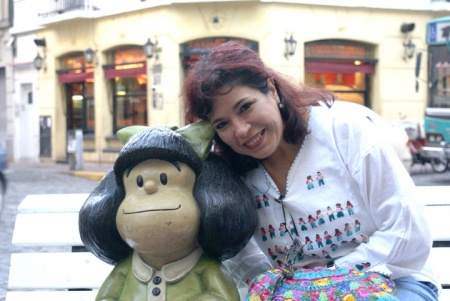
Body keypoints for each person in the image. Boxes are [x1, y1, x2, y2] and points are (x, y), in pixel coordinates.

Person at [181, 41, 440, 300]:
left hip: (394, 280)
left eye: (245, 107)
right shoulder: (232, 175)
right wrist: (289, 289)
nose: (241, 130)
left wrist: (329, 281)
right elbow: (242, 258)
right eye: (223, 124)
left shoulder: (345, 132)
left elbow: (407, 230)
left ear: (271, 90)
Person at [79, 124, 257, 300]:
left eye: (164, 179)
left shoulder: (205, 268)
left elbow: (223, 296)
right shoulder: (125, 270)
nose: (149, 187)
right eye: (139, 182)